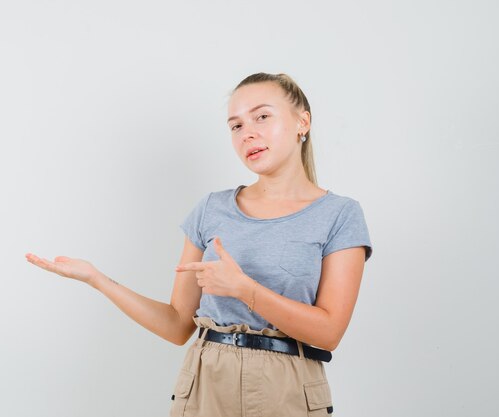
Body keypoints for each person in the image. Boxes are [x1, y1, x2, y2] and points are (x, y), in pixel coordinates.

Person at [25, 72, 372, 417]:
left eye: (262, 116)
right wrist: (96, 279)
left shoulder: (339, 214)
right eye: (235, 125)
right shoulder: (212, 209)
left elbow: (329, 332)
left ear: (302, 122)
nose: (247, 132)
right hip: (206, 384)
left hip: (289, 391)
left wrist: (244, 289)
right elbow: (178, 325)